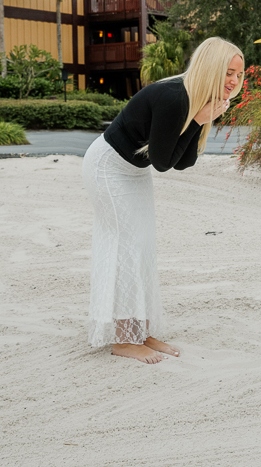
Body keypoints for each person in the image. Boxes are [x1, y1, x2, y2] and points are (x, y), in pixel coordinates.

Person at [82, 37, 245, 364]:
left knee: (142, 246)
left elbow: (184, 161)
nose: (233, 81)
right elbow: (162, 161)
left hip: (133, 170)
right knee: (127, 246)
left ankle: (139, 331)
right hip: (109, 167)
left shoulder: (196, 99)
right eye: (228, 72)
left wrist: (201, 120)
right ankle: (124, 340)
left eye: (239, 75)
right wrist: (198, 120)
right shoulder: (175, 97)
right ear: (210, 68)